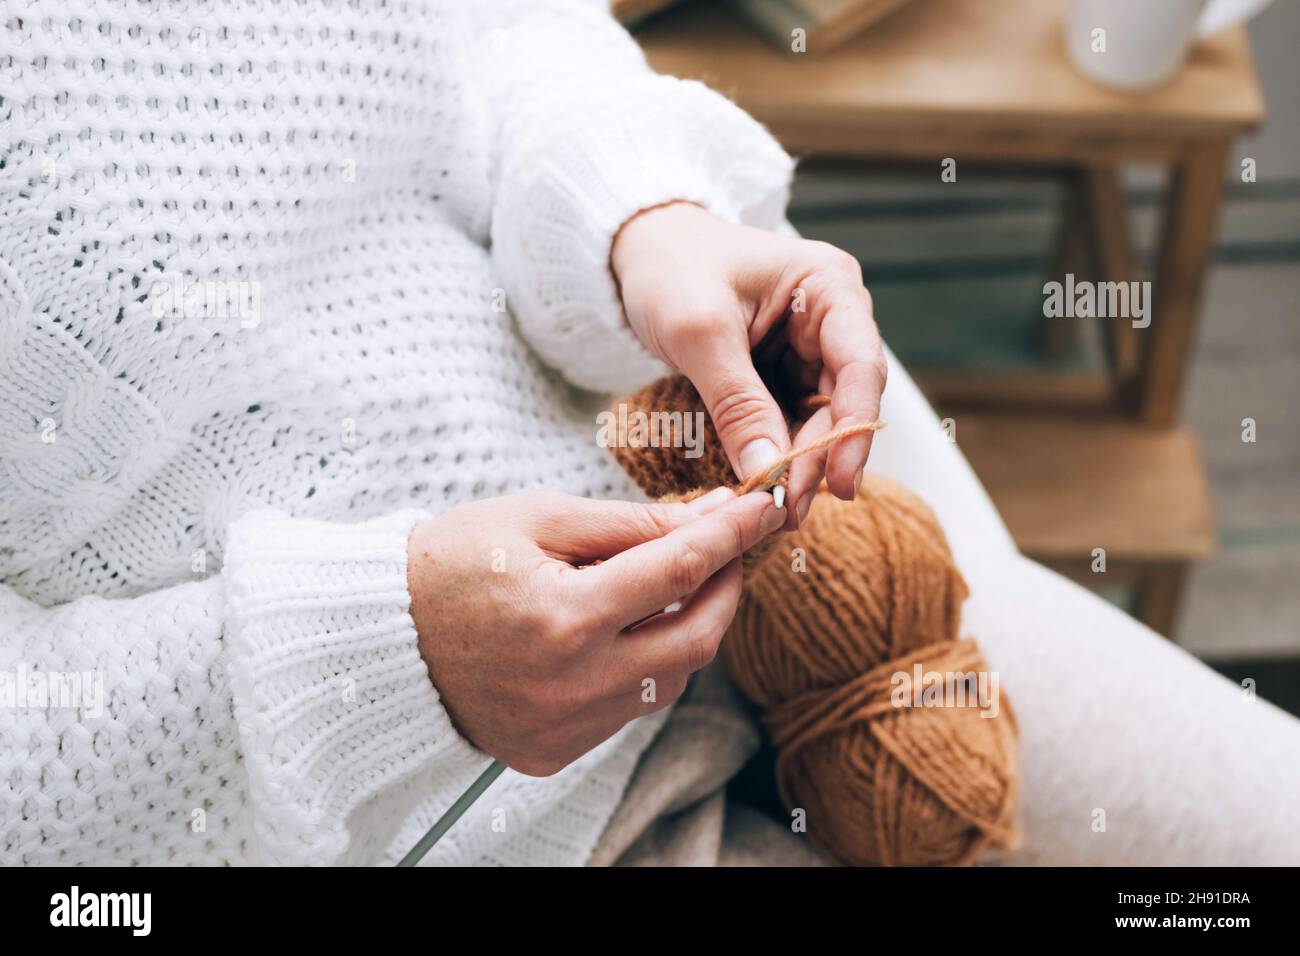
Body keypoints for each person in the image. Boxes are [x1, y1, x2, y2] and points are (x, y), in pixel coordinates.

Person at [2, 0, 1297, 867]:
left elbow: (504, 33)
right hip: (385, 827)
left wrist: (638, 220)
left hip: (788, 578)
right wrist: (378, 664)